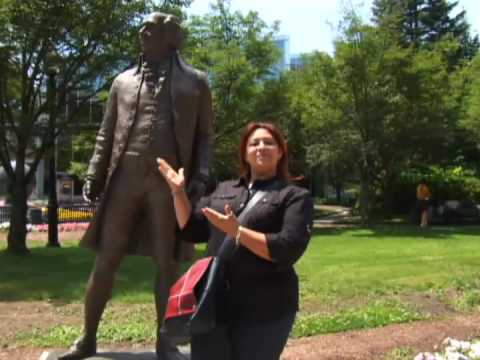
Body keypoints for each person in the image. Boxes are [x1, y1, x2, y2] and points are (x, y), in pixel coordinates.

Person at [59, 12, 214, 360]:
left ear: (171, 36)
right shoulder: (121, 81)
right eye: (142, 27)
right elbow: (106, 131)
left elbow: (205, 136)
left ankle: (166, 342)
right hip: (124, 177)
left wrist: (201, 175)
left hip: (167, 182)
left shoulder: (196, 83)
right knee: (106, 259)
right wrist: (94, 173)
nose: (143, 31)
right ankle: (88, 338)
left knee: (168, 262)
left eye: (152, 27)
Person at [157, 122, 314, 360]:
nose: (261, 147)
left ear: (280, 152)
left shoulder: (294, 196)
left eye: (269, 142)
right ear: (244, 152)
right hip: (213, 304)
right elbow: (192, 228)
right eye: (254, 143)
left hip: (265, 309)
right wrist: (178, 193)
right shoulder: (224, 189)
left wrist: (239, 232)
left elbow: (287, 249)